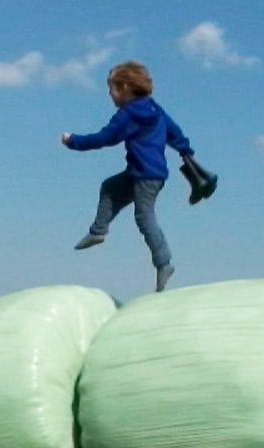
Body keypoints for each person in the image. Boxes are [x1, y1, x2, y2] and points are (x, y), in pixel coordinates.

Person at [60, 61, 195, 292]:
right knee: (111, 188)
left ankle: (164, 263)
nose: (109, 95)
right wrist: (185, 150)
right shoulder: (154, 108)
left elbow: (105, 138)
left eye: (111, 89)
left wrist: (73, 141)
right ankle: (98, 232)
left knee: (144, 216)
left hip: (145, 175)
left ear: (124, 88)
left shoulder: (128, 114)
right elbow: (173, 130)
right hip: (146, 173)